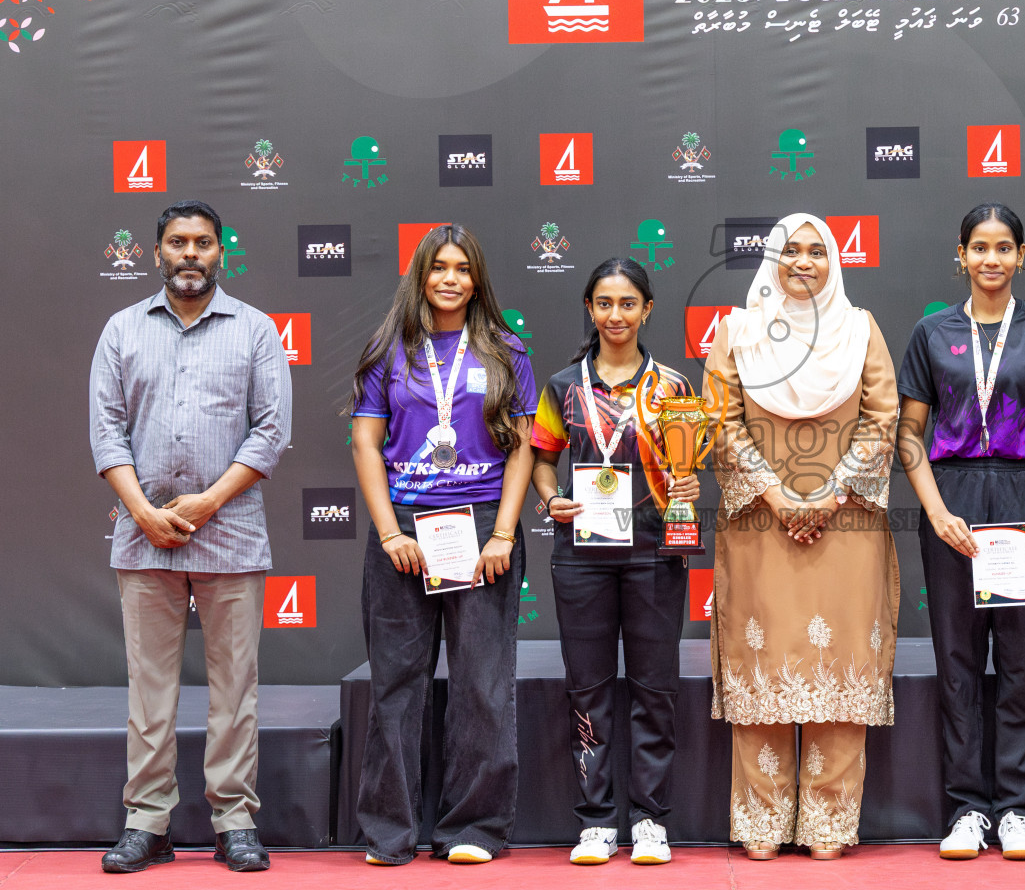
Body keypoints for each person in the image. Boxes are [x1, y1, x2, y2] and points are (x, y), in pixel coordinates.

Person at [89, 200, 293, 874]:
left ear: (220, 252)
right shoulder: (122, 329)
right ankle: (147, 822)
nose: (190, 254)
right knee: (149, 691)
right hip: (142, 534)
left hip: (231, 530)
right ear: (156, 253)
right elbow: (106, 431)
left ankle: (235, 821)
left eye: (203, 243)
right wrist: (141, 512)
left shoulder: (255, 329)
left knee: (235, 689)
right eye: (177, 242)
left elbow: (272, 430)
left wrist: (208, 501)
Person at [704, 213, 899, 861]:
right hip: (761, 526)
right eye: (791, 251)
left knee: (838, 667)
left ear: (833, 261)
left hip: (846, 526)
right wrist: (778, 495)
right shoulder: (737, 332)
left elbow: (883, 418)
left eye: (818, 251)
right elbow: (720, 422)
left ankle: (828, 821)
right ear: (772, 260)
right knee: (764, 663)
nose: (804, 262)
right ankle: (760, 820)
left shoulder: (860, 328)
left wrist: (832, 493)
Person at [896, 203, 1025, 861]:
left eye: (1004, 247)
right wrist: (937, 511)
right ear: (962, 254)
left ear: (1021, 256)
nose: (992, 259)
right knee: (959, 664)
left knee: (1022, 664)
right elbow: (909, 436)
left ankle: (1016, 810)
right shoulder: (931, 332)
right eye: (980, 247)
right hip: (952, 500)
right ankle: (969, 809)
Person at [348, 224, 536, 865]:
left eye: (462, 268)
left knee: (482, 685)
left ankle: (473, 828)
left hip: (481, 529)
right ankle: (389, 832)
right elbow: (366, 444)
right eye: (438, 267)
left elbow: (521, 449)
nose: (449, 279)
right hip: (404, 529)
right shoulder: (388, 348)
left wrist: (504, 533)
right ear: (420, 276)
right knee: (396, 686)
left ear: (477, 280)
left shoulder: (506, 349)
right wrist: (389, 532)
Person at [529, 258, 699, 866]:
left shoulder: (674, 387)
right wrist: (551, 498)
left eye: (628, 303)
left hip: (655, 553)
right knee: (589, 689)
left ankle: (651, 819)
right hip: (582, 558)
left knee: (655, 689)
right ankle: (596, 821)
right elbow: (542, 460)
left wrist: (687, 487)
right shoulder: (561, 386)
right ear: (590, 308)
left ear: (647, 310)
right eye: (604, 303)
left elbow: (684, 468)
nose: (615, 315)